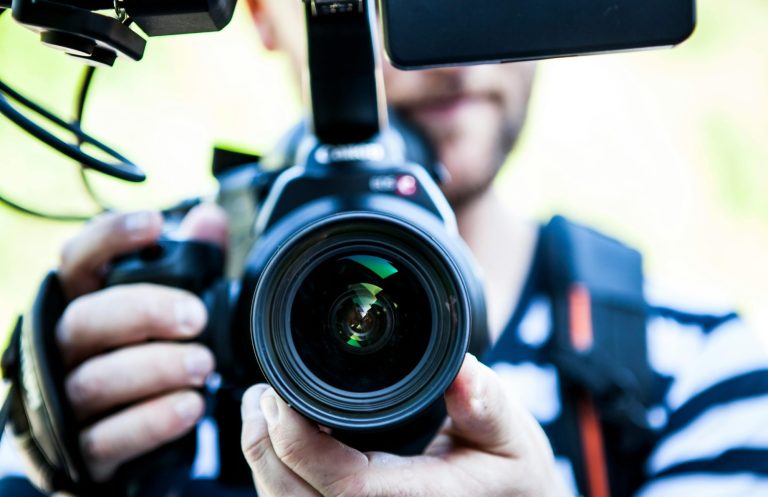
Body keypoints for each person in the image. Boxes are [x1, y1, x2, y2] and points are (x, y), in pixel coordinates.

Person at [3, 0, 768, 495]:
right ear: (266, 14)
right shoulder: (140, 332)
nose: (448, 53)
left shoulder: (692, 362)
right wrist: (51, 450)